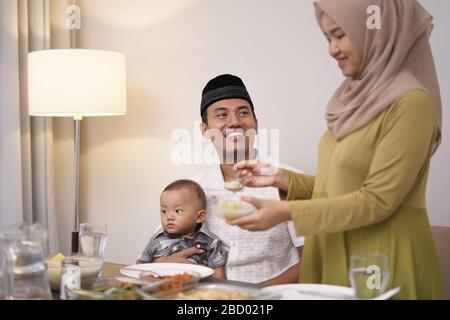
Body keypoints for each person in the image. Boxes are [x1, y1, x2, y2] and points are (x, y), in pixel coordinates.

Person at [229, 0, 443, 299]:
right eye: (328, 37)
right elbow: (342, 186)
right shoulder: (354, 100)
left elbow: (378, 199)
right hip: (337, 250)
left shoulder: (411, 103)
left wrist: (285, 212)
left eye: (340, 34)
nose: (333, 49)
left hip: (381, 260)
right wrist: (279, 179)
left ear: (377, 29)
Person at [155, 74, 304, 285]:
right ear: (205, 131)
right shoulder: (193, 189)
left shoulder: (290, 182)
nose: (235, 122)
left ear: (256, 124)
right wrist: (167, 262)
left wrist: (246, 295)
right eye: (222, 115)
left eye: (243, 113)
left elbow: (312, 261)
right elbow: (155, 252)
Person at [138, 179, 226, 279]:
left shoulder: (211, 243)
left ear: (199, 217)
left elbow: (218, 275)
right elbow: (139, 266)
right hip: (162, 288)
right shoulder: (157, 239)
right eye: (164, 211)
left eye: (177, 211)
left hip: (195, 289)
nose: (169, 217)